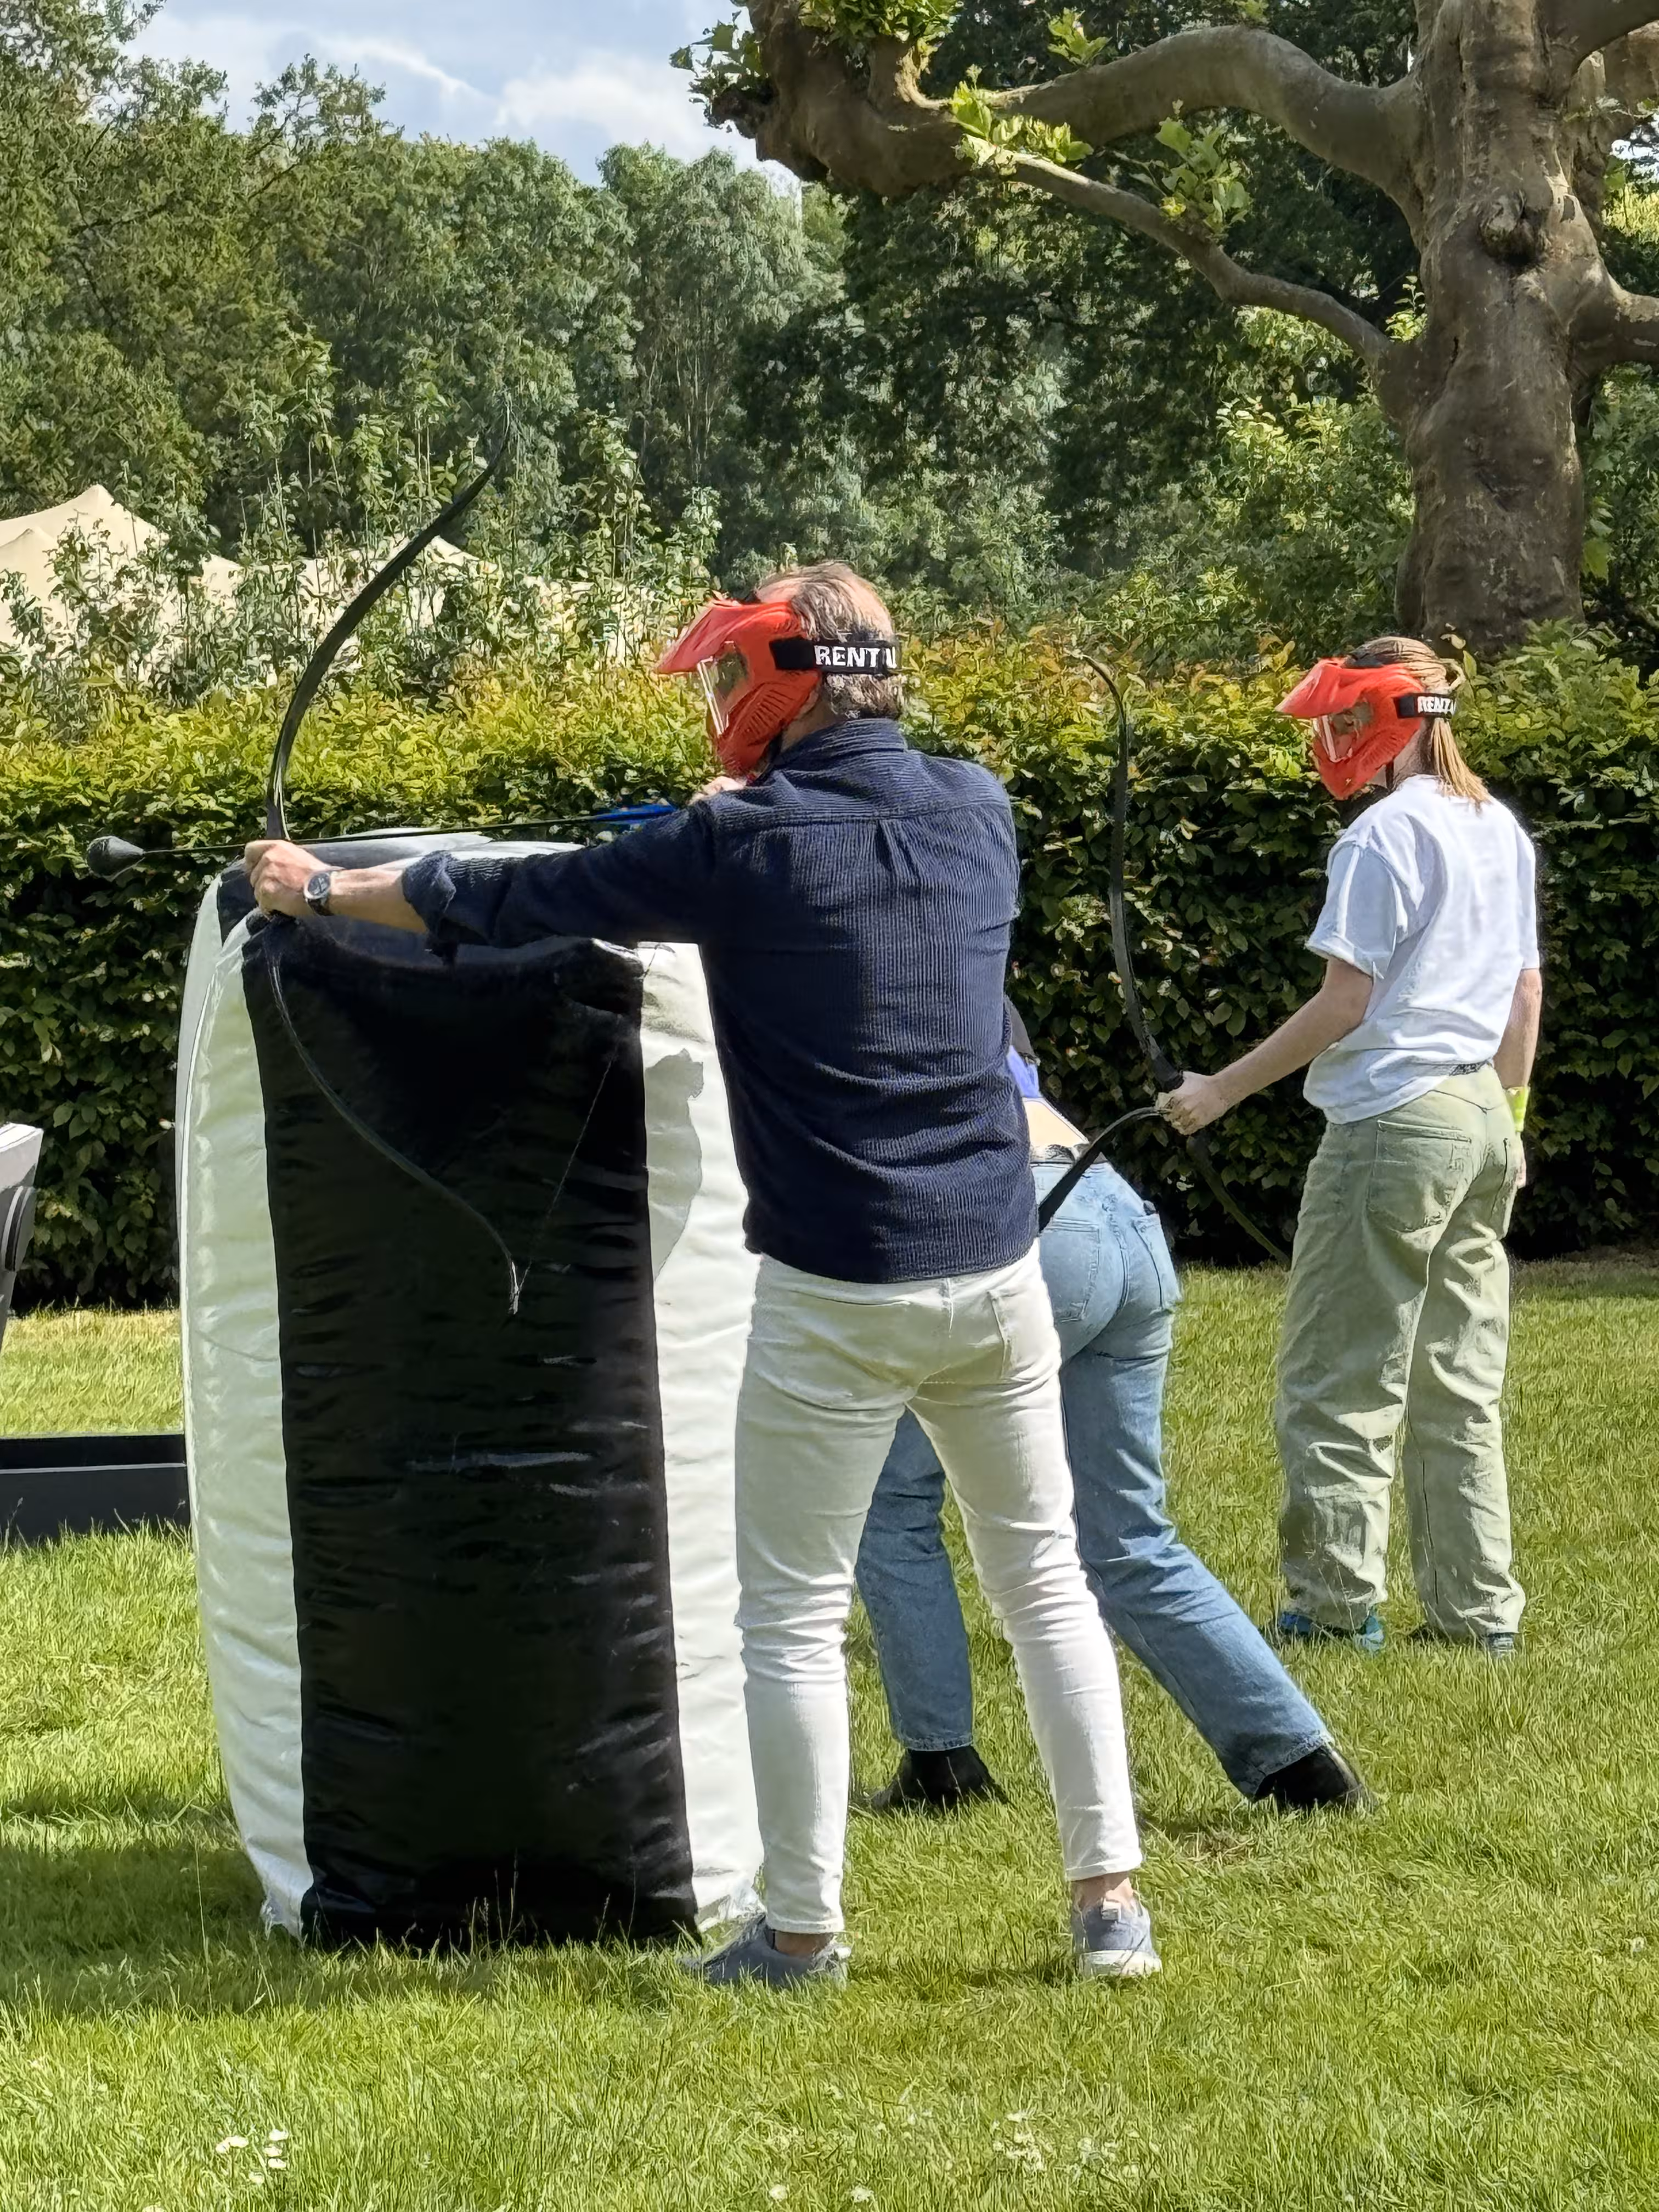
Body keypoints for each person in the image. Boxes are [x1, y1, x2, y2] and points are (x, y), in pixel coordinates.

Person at [242, 562, 1159, 1987]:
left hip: (841, 1287)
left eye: (731, 674)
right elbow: (849, 872)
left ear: (786, 679)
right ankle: (1111, 1909)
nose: (719, 698)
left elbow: (515, 899)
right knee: (1044, 1584)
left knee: (788, 1618)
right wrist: (730, 823)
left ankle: (801, 1935)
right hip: (997, 1267)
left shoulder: (741, 843)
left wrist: (322, 888)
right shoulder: (976, 807)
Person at [855, 1003, 1367, 1818]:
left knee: (892, 1500)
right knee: (1129, 1537)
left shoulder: (854, 969)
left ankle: (941, 1765)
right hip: (1112, 1206)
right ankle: (1304, 1766)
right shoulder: (959, 956)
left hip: (1024, 1218)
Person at [1164, 636, 1541, 1656]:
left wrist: (1219, 1091)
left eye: (1341, 720)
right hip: (1479, 1113)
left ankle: (1331, 1612)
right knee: (1458, 1384)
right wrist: (1511, 1123)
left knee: (1339, 1376)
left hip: (1394, 1123)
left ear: (1385, 717)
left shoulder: (1382, 836)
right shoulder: (1497, 826)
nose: (1329, 740)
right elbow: (1524, 991)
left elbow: (1346, 1003)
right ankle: (1477, 1618)